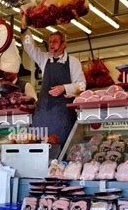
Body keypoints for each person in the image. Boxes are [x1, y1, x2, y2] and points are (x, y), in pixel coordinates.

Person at [20, 12, 86, 147]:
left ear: (64, 44)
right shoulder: (44, 59)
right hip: (42, 113)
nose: (51, 44)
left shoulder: (73, 62)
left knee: (61, 148)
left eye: (55, 42)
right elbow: (29, 47)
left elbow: (82, 86)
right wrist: (24, 28)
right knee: (37, 147)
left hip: (63, 115)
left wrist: (65, 88)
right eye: (50, 42)